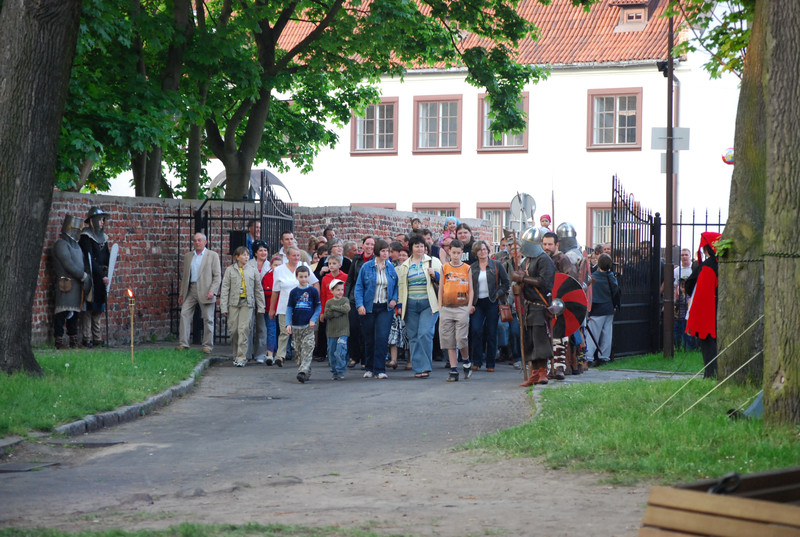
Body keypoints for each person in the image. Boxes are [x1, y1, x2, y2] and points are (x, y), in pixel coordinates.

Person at [512, 226, 555, 387]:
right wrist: (518, 282)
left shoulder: (544, 260)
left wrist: (523, 279)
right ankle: (534, 373)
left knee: (540, 339)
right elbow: (522, 279)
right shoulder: (527, 260)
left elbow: (545, 283)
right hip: (528, 306)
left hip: (540, 305)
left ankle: (543, 372)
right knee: (530, 340)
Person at [397, 234, 442, 376]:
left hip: (428, 304)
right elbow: (401, 286)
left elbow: (446, 280)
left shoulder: (433, 261)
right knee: (414, 336)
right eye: (416, 246)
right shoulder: (405, 265)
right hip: (410, 304)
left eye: (422, 246)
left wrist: (435, 275)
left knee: (425, 333)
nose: (419, 248)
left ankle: (426, 366)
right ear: (411, 248)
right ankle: (418, 368)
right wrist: (399, 305)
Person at [354, 239, 398, 380]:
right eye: (384, 251)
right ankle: (369, 367)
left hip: (385, 307)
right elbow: (359, 287)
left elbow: (397, 285)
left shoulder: (390, 268)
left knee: (382, 337)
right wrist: (360, 305)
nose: (386, 254)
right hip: (369, 307)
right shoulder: (366, 267)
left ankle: (380, 369)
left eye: (388, 251)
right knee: (369, 338)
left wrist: (394, 299)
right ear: (378, 251)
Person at [269, 246, 319, 367]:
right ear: (287, 256)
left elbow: (315, 282)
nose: (296, 258)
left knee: (299, 333)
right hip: (284, 305)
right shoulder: (279, 270)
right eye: (294, 255)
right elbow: (275, 291)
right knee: (284, 331)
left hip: (302, 307)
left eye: (298, 255)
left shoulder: (304, 267)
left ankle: (300, 356)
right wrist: (272, 308)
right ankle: (280, 356)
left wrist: (315, 299)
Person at [177, 232, 222, 354]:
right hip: (191, 288)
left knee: (208, 318)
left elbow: (217, 276)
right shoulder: (188, 256)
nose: (197, 242)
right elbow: (185, 276)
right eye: (195, 240)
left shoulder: (212, 255)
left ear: (205, 242)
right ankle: (183, 343)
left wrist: (213, 291)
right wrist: (182, 294)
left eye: (200, 240)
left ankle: (207, 345)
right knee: (184, 314)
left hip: (206, 289)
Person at [220, 246, 266, 367]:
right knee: (234, 330)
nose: (246, 257)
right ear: (237, 257)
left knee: (244, 330)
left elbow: (258, 289)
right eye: (243, 255)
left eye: (247, 255)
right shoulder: (230, 270)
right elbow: (225, 289)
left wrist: (261, 307)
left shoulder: (252, 270)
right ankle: (236, 354)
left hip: (247, 303)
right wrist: (223, 307)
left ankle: (241, 357)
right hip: (234, 303)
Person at [469, 240, 510, 372]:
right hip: (477, 303)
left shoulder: (497, 265)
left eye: (484, 249)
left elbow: (506, 283)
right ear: (476, 252)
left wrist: (498, 294)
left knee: (491, 332)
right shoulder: (472, 267)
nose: (482, 251)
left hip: (492, 301)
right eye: (480, 250)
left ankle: (490, 363)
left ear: (488, 250)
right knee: (476, 330)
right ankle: (476, 360)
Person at [542, 231, 578, 379]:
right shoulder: (541, 259)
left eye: (550, 244)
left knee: (560, 336)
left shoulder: (563, 260)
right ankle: (547, 369)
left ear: (556, 245)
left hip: (560, 304)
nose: (547, 247)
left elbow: (570, 282)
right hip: (544, 303)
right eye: (544, 244)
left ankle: (559, 368)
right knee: (544, 337)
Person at [685, 232, 721, 379]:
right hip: (718, 308)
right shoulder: (721, 264)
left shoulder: (707, 267)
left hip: (709, 311)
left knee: (708, 343)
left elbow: (700, 293)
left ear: (706, 249)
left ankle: (711, 374)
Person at [52, 215, 91, 349]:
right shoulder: (61, 244)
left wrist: (85, 276)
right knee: (61, 314)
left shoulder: (76, 246)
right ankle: (59, 340)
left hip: (77, 284)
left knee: (74, 314)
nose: (78, 232)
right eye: (77, 229)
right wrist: (83, 276)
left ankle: (73, 340)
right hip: (66, 284)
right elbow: (68, 264)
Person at [438, 239, 474, 382]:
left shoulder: (467, 268)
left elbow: (471, 289)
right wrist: (440, 307)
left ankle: (466, 361)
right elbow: (441, 288)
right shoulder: (445, 268)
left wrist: (469, 306)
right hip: (447, 307)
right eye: (453, 252)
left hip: (462, 307)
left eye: (459, 253)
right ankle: (454, 369)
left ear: (462, 253)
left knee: (461, 338)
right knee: (449, 340)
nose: (456, 255)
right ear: (449, 252)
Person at [79, 206, 111, 348]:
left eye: (103, 220)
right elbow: (90, 259)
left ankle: (97, 338)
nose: (102, 222)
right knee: (88, 308)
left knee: (98, 308)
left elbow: (107, 257)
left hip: (101, 277)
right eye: (100, 220)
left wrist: (107, 273)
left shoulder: (103, 238)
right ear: (93, 221)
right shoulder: (86, 237)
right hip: (90, 276)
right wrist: (100, 275)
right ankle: (87, 338)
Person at [286, 266, 321, 383]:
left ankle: (302, 372)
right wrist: (288, 324)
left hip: (308, 326)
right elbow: (289, 308)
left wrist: (313, 319)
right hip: (296, 326)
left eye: (305, 277)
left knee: (308, 347)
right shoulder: (294, 292)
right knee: (299, 352)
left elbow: (318, 307)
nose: (303, 279)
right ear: (296, 277)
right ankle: (306, 370)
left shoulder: (313, 291)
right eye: (301, 277)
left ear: (308, 277)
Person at [344, 236, 375, 369]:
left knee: (366, 330)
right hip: (354, 298)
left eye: (372, 244)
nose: (369, 246)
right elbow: (350, 279)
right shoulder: (357, 259)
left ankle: (364, 359)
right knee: (354, 327)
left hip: (369, 299)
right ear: (362, 245)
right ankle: (354, 356)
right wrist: (345, 297)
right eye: (367, 244)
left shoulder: (376, 259)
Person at [585, 253, 619, 366]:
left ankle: (588, 357)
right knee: (607, 334)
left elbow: (589, 296)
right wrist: (615, 306)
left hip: (596, 309)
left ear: (598, 264)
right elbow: (616, 293)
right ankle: (604, 357)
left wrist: (588, 312)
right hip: (609, 308)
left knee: (592, 335)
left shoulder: (593, 278)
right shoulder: (612, 277)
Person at [246, 241, 270, 364]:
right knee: (248, 326)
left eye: (265, 250)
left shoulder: (270, 266)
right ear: (255, 252)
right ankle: (247, 353)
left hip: (264, 300)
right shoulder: (249, 264)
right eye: (260, 250)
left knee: (262, 327)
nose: (263, 253)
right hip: (250, 298)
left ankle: (261, 354)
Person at [324, 280, 350, 380]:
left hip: (343, 331)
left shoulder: (345, 300)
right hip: (331, 332)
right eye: (338, 290)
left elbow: (346, 309)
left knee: (341, 350)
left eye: (342, 290)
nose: (340, 292)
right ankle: (334, 371)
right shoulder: (328, 302)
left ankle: (340, 370)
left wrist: (334, 308)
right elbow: (327, 315)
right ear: (332, 291)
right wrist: (339, 310)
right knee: (331, 352)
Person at [262, 254, 283, 365]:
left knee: (282, 331)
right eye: (275, 265)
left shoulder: (284, 275)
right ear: (271, 265)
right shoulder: (268, 276)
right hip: (270, 307)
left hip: (282, 308)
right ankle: (270, 354)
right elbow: (265, 291)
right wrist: (275, 291)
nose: (277, 267)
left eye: (280, 265)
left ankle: (280, 353)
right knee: (271, 330)